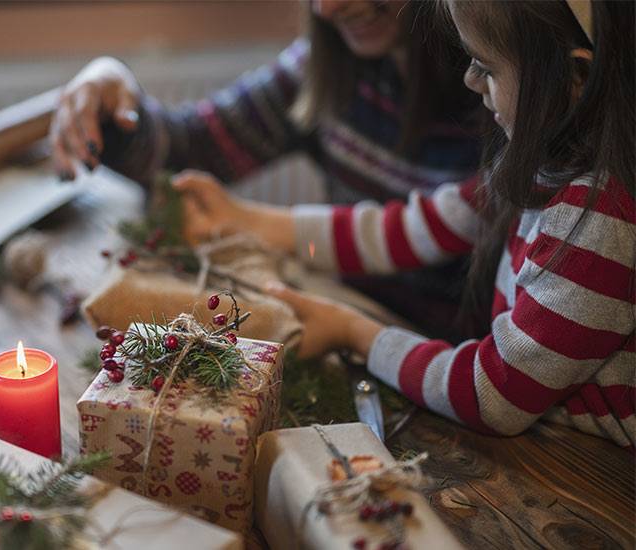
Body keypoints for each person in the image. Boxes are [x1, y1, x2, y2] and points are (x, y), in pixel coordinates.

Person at [175, 0, 635, 448]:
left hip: (599, 473)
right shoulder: (541, 163)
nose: (470, 79)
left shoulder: (598, 219)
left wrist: (356, 332)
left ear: (576, 78)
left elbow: (492, 393)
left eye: (486, 66)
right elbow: (415, 228)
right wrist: (248, 222)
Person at [47, 1, 483, 336]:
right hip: (344, 329)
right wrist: (113, 88)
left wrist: (253, 221)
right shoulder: (325, 65)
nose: (325, 8)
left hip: (462, 376)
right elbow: (188, 151)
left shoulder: (509, 99)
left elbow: (445, 228)